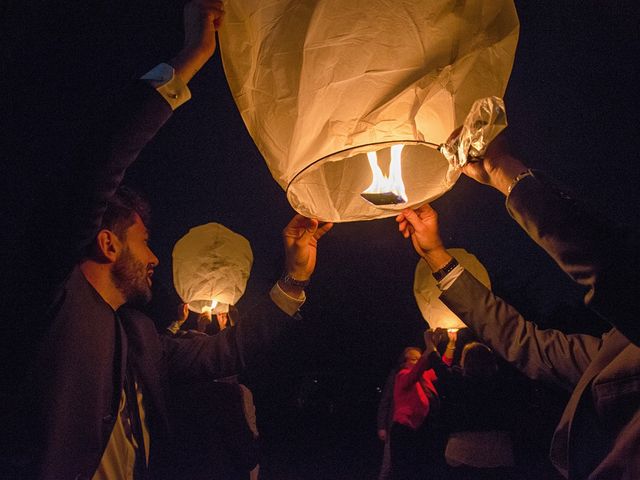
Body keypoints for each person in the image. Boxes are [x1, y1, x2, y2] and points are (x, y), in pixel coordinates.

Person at [2, 1, 334, 478]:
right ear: (107, 244)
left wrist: (294, 278)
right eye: (144, 241)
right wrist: (192, 57)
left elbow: (231, 349)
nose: (157, 257)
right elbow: (96, 165)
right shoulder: (50, 302)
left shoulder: (139, 337)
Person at [396, 133, 640, 479]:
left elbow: (611, 269)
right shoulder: (614, 352)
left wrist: (507, 174)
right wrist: (438, 258)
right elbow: (525, 342)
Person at [424, 330, 517, 480]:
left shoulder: (458, 380)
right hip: (498, 450)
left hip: (463, 450)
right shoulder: (502, 384)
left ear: (465, 360)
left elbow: (439, 365)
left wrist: (430, 344)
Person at [389, 333, 450, 480]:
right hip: (406, 430)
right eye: (414, 359)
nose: (419, 362)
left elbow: (442, 366)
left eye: (420, 358)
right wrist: (429, 350)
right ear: (404, 362)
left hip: (422, 430)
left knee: (421, 469)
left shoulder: (425, 376)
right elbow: (414, 374)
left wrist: (451, 344)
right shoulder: (402, 375)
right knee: (405, 471)